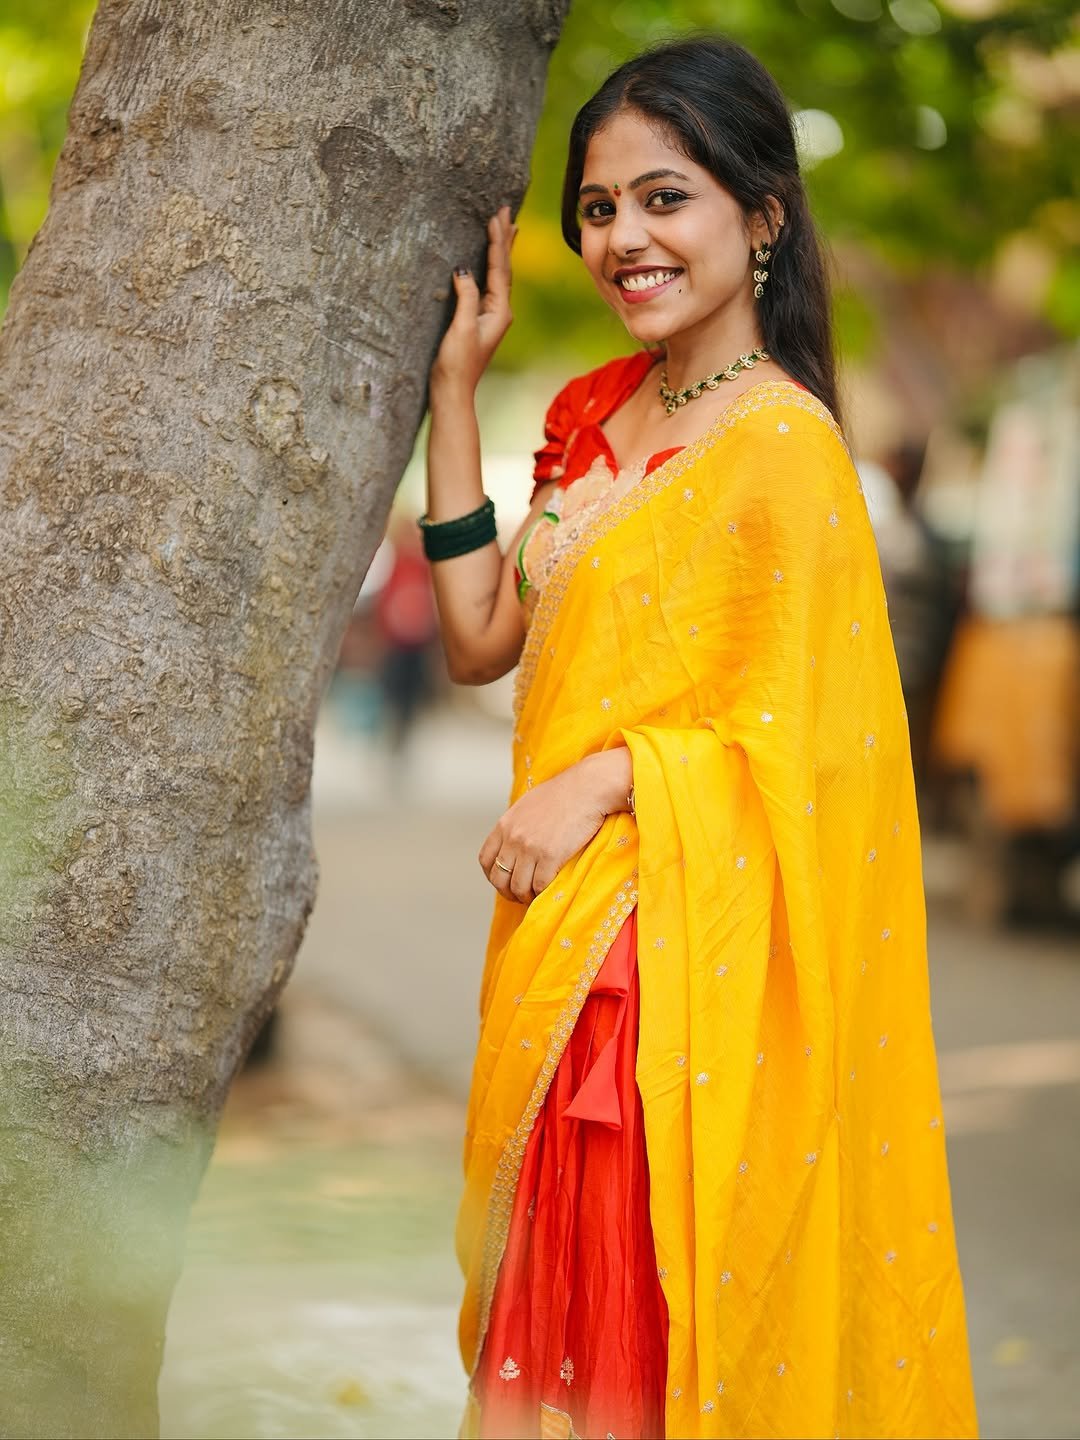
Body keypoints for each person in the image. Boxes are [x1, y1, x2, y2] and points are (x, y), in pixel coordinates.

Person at [421, 36, 978, 1440]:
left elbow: (817, 752)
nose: (626, 238)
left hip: (668, 974)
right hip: (561, 934)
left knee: (632, 1338)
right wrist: (454, 396)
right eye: (599, 208)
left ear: (763, 215)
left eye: (665, 198)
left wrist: (607, 778)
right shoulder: (589, 413)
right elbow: (479, 637)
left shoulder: (786, 449)